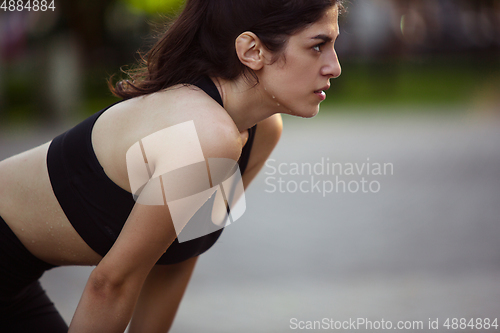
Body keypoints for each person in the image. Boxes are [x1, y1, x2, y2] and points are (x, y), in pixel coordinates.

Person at [0, 0, 343, 331]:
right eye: (317, 46)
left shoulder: (262, 131)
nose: (335, 66)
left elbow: (176, 259)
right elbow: (110, 285)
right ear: (252, 50)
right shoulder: (206, 135)